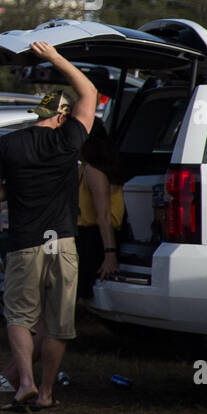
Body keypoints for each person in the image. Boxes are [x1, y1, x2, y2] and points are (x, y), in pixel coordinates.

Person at [0, 41, 96, 412]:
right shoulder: (69, 138)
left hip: (25, 241)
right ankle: (46, 392)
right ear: (62, 116)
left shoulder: (7, 143)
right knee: (58, 321)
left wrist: (14, 188)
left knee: (20, 316)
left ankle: (24, 383)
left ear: (38, 113)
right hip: (62, 240)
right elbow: (89, 90)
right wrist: (55, 58)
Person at [76, 119, 125, 301]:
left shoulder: (93, 171)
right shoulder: (83, 168)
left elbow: (103, 216)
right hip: (86, 235)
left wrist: (110, 254)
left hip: (95, 239)